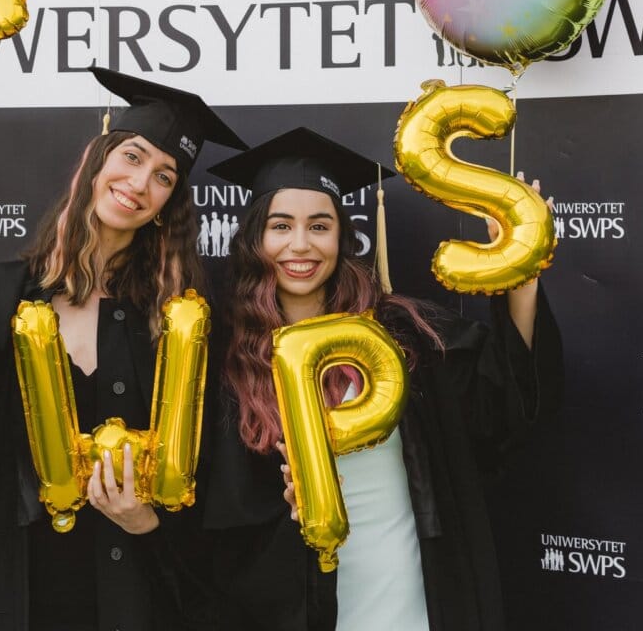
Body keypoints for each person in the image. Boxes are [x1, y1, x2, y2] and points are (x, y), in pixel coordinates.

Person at [0, 67, 245, 631]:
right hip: (21, 596)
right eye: (132, 158)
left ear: (167, 205)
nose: (140, 184)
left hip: (137, 599)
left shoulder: (172, 325)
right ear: (98, 159)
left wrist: (147, 522)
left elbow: (210, 488)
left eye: (164, 176)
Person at [200, 128, 563, 631]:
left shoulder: (399, 335)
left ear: (342, 238)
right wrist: (287, 506)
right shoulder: (225, 357)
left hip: (407, 594)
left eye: (320, 226)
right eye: (280, 226)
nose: (300, 245)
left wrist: (521, 268)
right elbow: (216, 532)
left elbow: (498, 408)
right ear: (255, 237)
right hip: (293, 604)